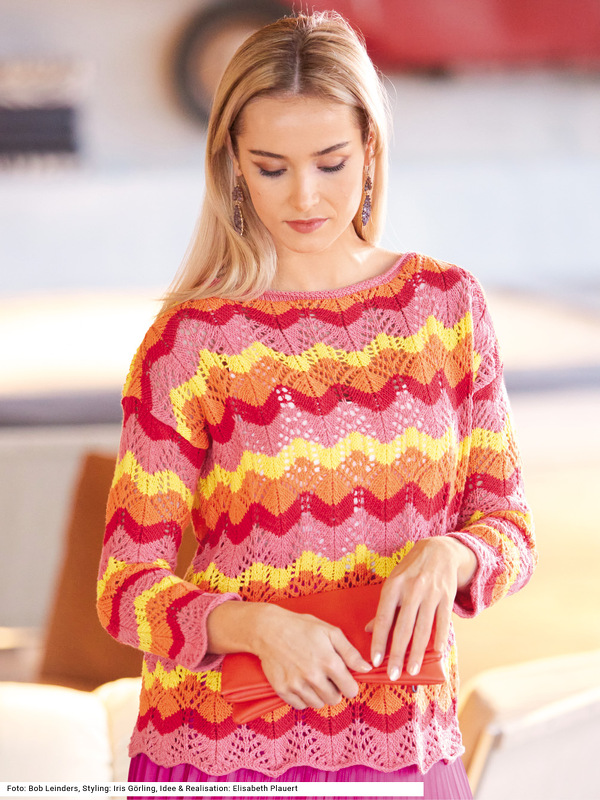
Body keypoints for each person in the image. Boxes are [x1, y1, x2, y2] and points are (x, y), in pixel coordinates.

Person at [97, 11, 537, 799]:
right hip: (224, 757)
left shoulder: (446, 307)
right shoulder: (192, 342)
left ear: (370, 149)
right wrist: (251, 625)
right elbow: (124, 586)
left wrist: (456, 555)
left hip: (408, 741)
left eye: (330, 162)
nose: (304, 196)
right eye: (271, 168)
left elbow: (511, 528)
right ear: (233, 164)